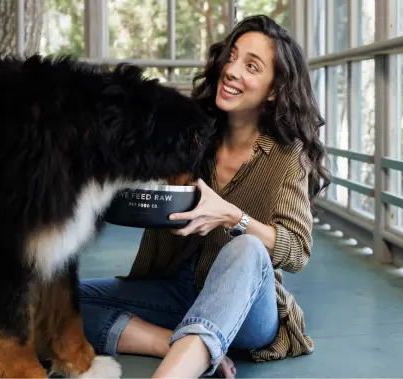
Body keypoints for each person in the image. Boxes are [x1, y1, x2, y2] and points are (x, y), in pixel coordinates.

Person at [79, 14, 330, 379]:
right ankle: (173, 342)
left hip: (247, 309)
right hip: (174, 290)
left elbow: (296, 251)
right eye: (232, 57)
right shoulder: (192, 133)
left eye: (251, 66)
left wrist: (233, 218)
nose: (231, 70)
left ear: (274, 90)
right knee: (57, 305)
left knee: (247, 249)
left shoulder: (287, 155)